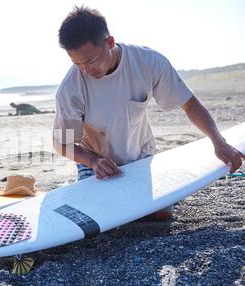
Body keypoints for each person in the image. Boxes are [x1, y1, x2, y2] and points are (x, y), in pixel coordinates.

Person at [53, 6, 244, 221]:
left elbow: (190, 104)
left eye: (91, 61)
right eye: (76, 63)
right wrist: (94, 161)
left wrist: (219, 141)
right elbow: (63, 144)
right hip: (96, 161)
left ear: (110, 42)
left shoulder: (148, 62)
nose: (86, 70)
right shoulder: (70, 90)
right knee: (104, 220)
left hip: (141, 156)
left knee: (160, 216)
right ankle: (81, 185)